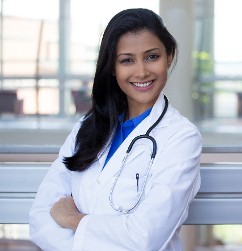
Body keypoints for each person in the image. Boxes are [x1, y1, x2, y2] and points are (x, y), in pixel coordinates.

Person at [29, 8, 202, 251]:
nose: (141, 71)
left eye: (152, 57)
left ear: (169, 57)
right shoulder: (86, 129)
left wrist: (73, 220)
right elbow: (40, 218)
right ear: (112, 67)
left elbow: (145, 239)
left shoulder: (182, 138)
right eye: (127, 60)